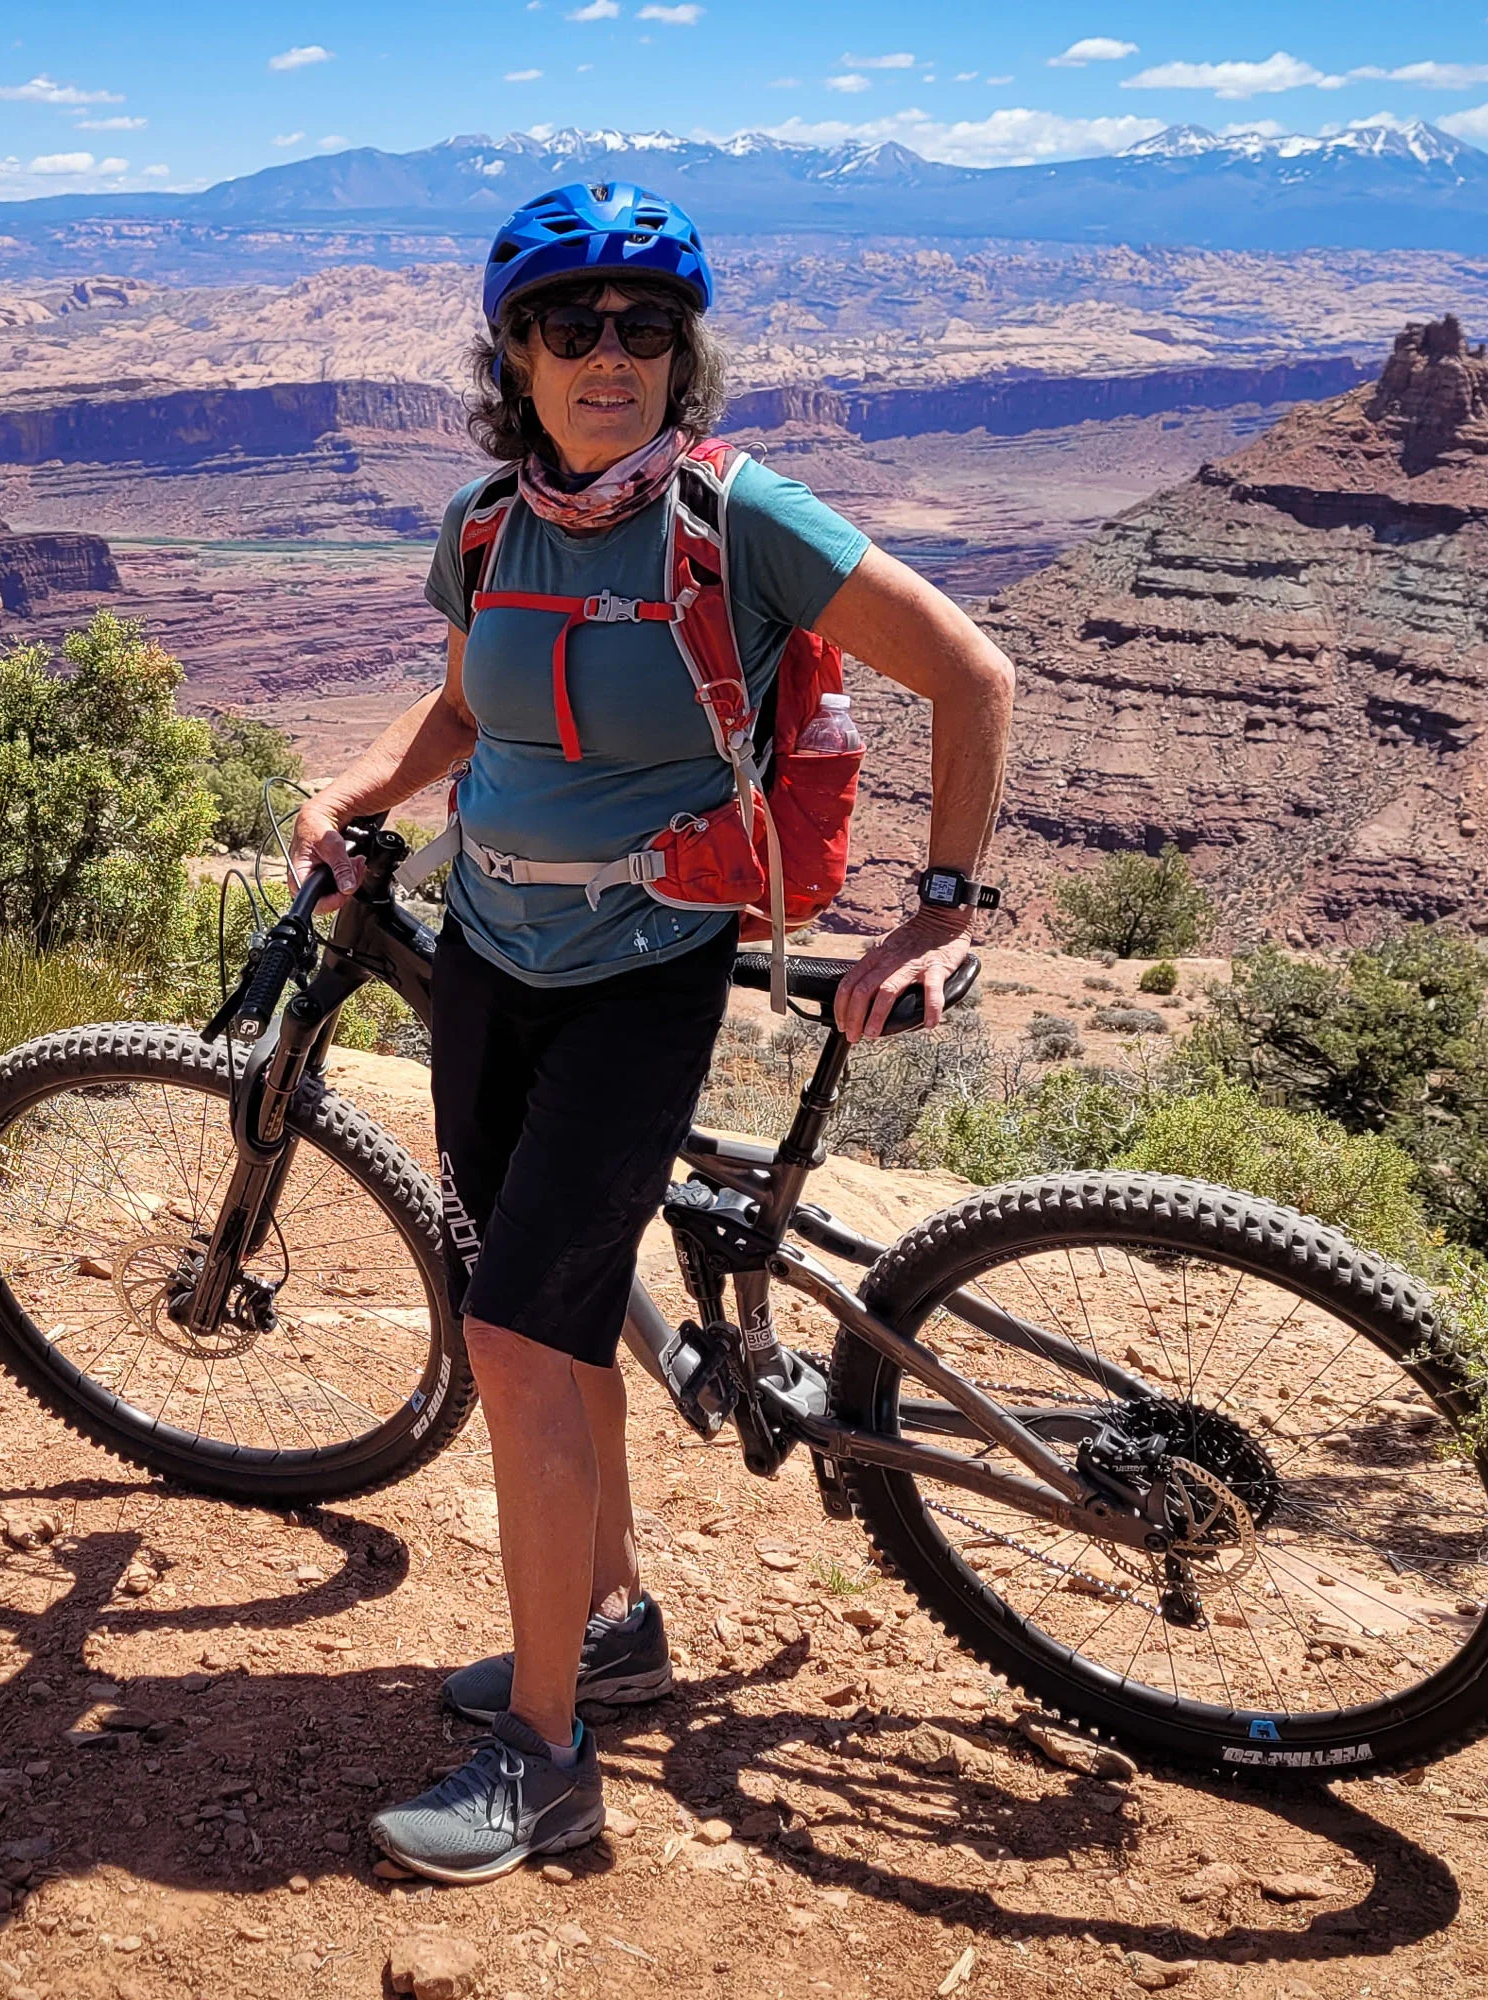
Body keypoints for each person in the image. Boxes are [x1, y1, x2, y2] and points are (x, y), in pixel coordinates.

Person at [289, 180, 1014, 1885]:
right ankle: (609, 1628)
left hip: (642, 972)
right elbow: (474, 699)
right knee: (549, 1306)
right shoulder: (484, 526)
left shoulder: (738, 518)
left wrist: (944, 904)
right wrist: (361, 788)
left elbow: (971, 675)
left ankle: (543, 1760)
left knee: (520, 1344)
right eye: (570, 325)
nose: (608, 354)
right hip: (493, 957)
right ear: (517, 355)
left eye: (644, 328)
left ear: (682, 353)